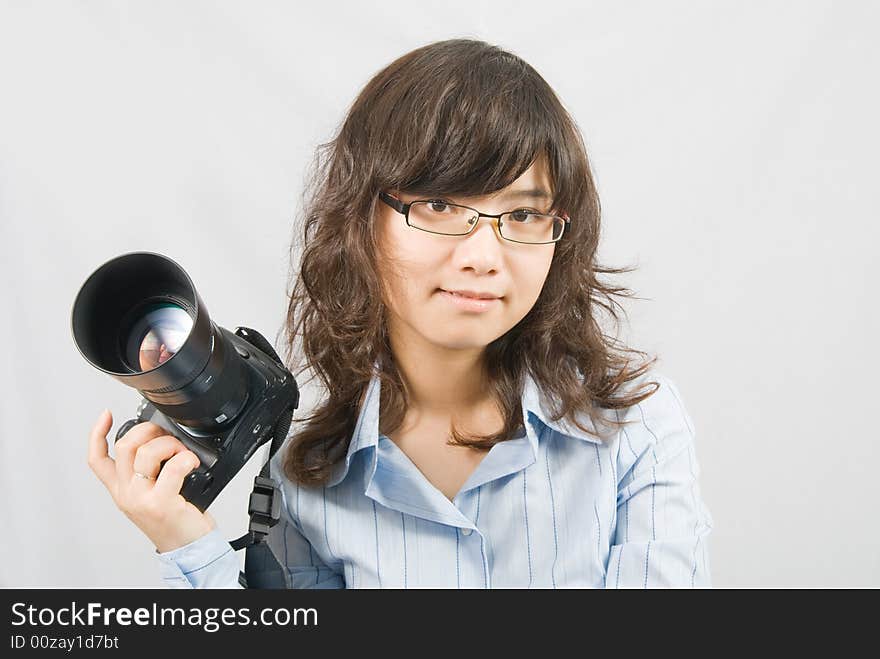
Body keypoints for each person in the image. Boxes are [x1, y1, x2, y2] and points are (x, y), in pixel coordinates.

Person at [87, 37, 713, 588]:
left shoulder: (635, 434)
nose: (484, 256)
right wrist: (183, 541)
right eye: (440, 204)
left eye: (522, 215)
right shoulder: (309, 478)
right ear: (360, 221)